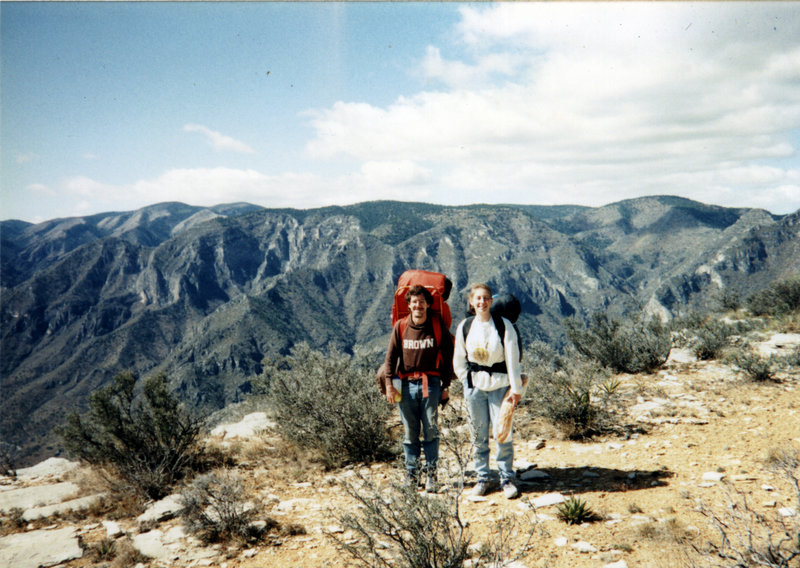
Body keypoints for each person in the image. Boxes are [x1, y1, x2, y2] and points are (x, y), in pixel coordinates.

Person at [453, 283, 523, 499]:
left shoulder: (503, 326)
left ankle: (506, 477)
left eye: (485, 298)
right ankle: (482, 476)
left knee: (503, 433)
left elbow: (513, 358)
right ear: (472, 303)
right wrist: (466, 381)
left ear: (491, 301)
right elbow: (459, 358)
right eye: (478, 299)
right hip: (475, 388)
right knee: (478, 434)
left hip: (500, 387)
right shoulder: (465, 326)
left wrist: (515, 388)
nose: (482, 302)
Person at [383, 285, 454, 492]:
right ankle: (412, 475)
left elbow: (448, 356)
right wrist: (389, 385)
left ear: (428, 304)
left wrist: (446, 386)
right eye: (414, 302)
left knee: (430, 430)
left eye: (422, 302)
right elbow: (390, 358)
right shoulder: (401, 327)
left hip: (430, 384)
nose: (418, 305)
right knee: (409, 433)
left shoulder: (436, 325)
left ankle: (431, 475)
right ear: (409, 305)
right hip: (404, 386)